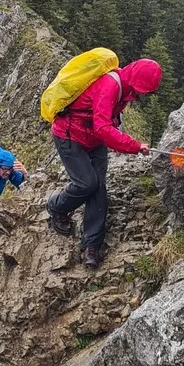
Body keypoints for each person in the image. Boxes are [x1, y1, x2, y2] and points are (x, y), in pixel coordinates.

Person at [46, 58, 162, 268]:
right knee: (86, 183)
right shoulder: (110, 86)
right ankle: (56, 206)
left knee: (98, 189)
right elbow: (102, 127)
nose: (143, 95)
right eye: (144, 90)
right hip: (69, 135)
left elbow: (103, 126)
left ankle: (92, 246)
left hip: (93, 140)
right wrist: (134, 145)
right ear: (136, 82)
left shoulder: (125, 90)